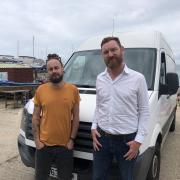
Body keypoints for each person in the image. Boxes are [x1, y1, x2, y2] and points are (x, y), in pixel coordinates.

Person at [91, 37, 149, 180]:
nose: (110, 54)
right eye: (106, 52)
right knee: (98, 177)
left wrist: (138, 141)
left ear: (122, 50)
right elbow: (99, 105)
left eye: (113, 50)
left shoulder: (138, 79)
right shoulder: (100, 78)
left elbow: (144, 111)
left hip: (127, 141)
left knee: (126, 177)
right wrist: (93, 127)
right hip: (101, 139)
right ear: (102, 55)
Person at [32, 53, 80, 180]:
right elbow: (35, 117)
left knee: (65, 178)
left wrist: (71, 140)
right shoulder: (41, 90)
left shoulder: (73, 90)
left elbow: (76, 118)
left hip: (65, 147)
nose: (54, 71)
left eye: (56, 68)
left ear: (62, 69)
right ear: (47, 71)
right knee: (40, 177)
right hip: (44, 146)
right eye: (50, 69)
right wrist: (37, 141)